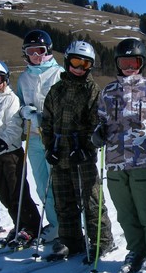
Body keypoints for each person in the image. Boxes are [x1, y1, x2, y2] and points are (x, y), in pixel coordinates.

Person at [91, 38, 146, 273]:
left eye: (133, 62)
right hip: (115, 161)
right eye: (124, 62)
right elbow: (100, 120)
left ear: (141, 63)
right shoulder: (108, 92)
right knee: (125, 212)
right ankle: (136, 250)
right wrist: (98, 133)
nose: (128, 67)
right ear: (117, 63)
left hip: (142, 159)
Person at [42, 40, 114, 260]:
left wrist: (87, 147)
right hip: (60, 154)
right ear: (67, 62)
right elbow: (47, 121)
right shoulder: (56, 90)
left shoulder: (92, 91)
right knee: (63, 201)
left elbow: (98, 124)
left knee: (91, 201)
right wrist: (49, 147)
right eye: (75, 62)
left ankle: (101, 241)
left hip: (81, 156)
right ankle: (70, 240)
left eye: (85, 64)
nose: (79, 68)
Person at [0, 61, 41, 249]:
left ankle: (31, 226)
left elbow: (14, 125)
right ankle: (19, 224)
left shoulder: (11, 99)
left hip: (10, 154)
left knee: (17, 193)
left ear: (5, 79)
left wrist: (2, 142)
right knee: (4, 195)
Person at [16, 29, 64, 243]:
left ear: (48, 51)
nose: (36, 56)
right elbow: (19, 103)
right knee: (42, 184)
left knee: (59, 183)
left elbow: (64, 108)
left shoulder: (58, 74)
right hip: (34, 138)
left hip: (54, 138)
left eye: (40, 51)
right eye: (31, 51)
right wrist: (23, 112)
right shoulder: (24, 78)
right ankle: (55, 223)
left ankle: (69, 224)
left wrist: (42, 117)